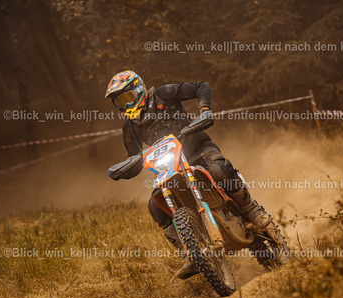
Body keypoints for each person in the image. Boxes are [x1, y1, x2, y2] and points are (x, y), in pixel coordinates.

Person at [105, 70, 271, 279]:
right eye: (120, 102)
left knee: (218, 170)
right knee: (155, 205)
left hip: (198, 150)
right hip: (169, 168)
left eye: (128, 97)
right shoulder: (130, 127)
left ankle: (251, 210)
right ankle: (189, 254)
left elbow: (200, 86)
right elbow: (134, 159)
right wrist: (124, 169)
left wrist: (205, 109)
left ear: (139, 89)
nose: (126, 105)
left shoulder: (164, 94)